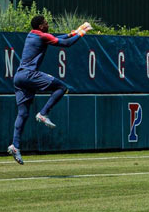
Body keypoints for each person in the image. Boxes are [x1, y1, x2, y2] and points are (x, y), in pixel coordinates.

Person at [7, 15, 92, 165]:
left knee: (23, 113)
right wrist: (81, 33)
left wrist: (73, 32)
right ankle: (43, 113)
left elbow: (55, 38)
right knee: (61, 87)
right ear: (40, 26)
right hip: (29, 75)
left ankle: (15, 145)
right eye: (46, 23)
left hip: (19, 77)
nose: (48, 24)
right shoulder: (41, 36)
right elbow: (66, 44)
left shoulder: (32, 34)